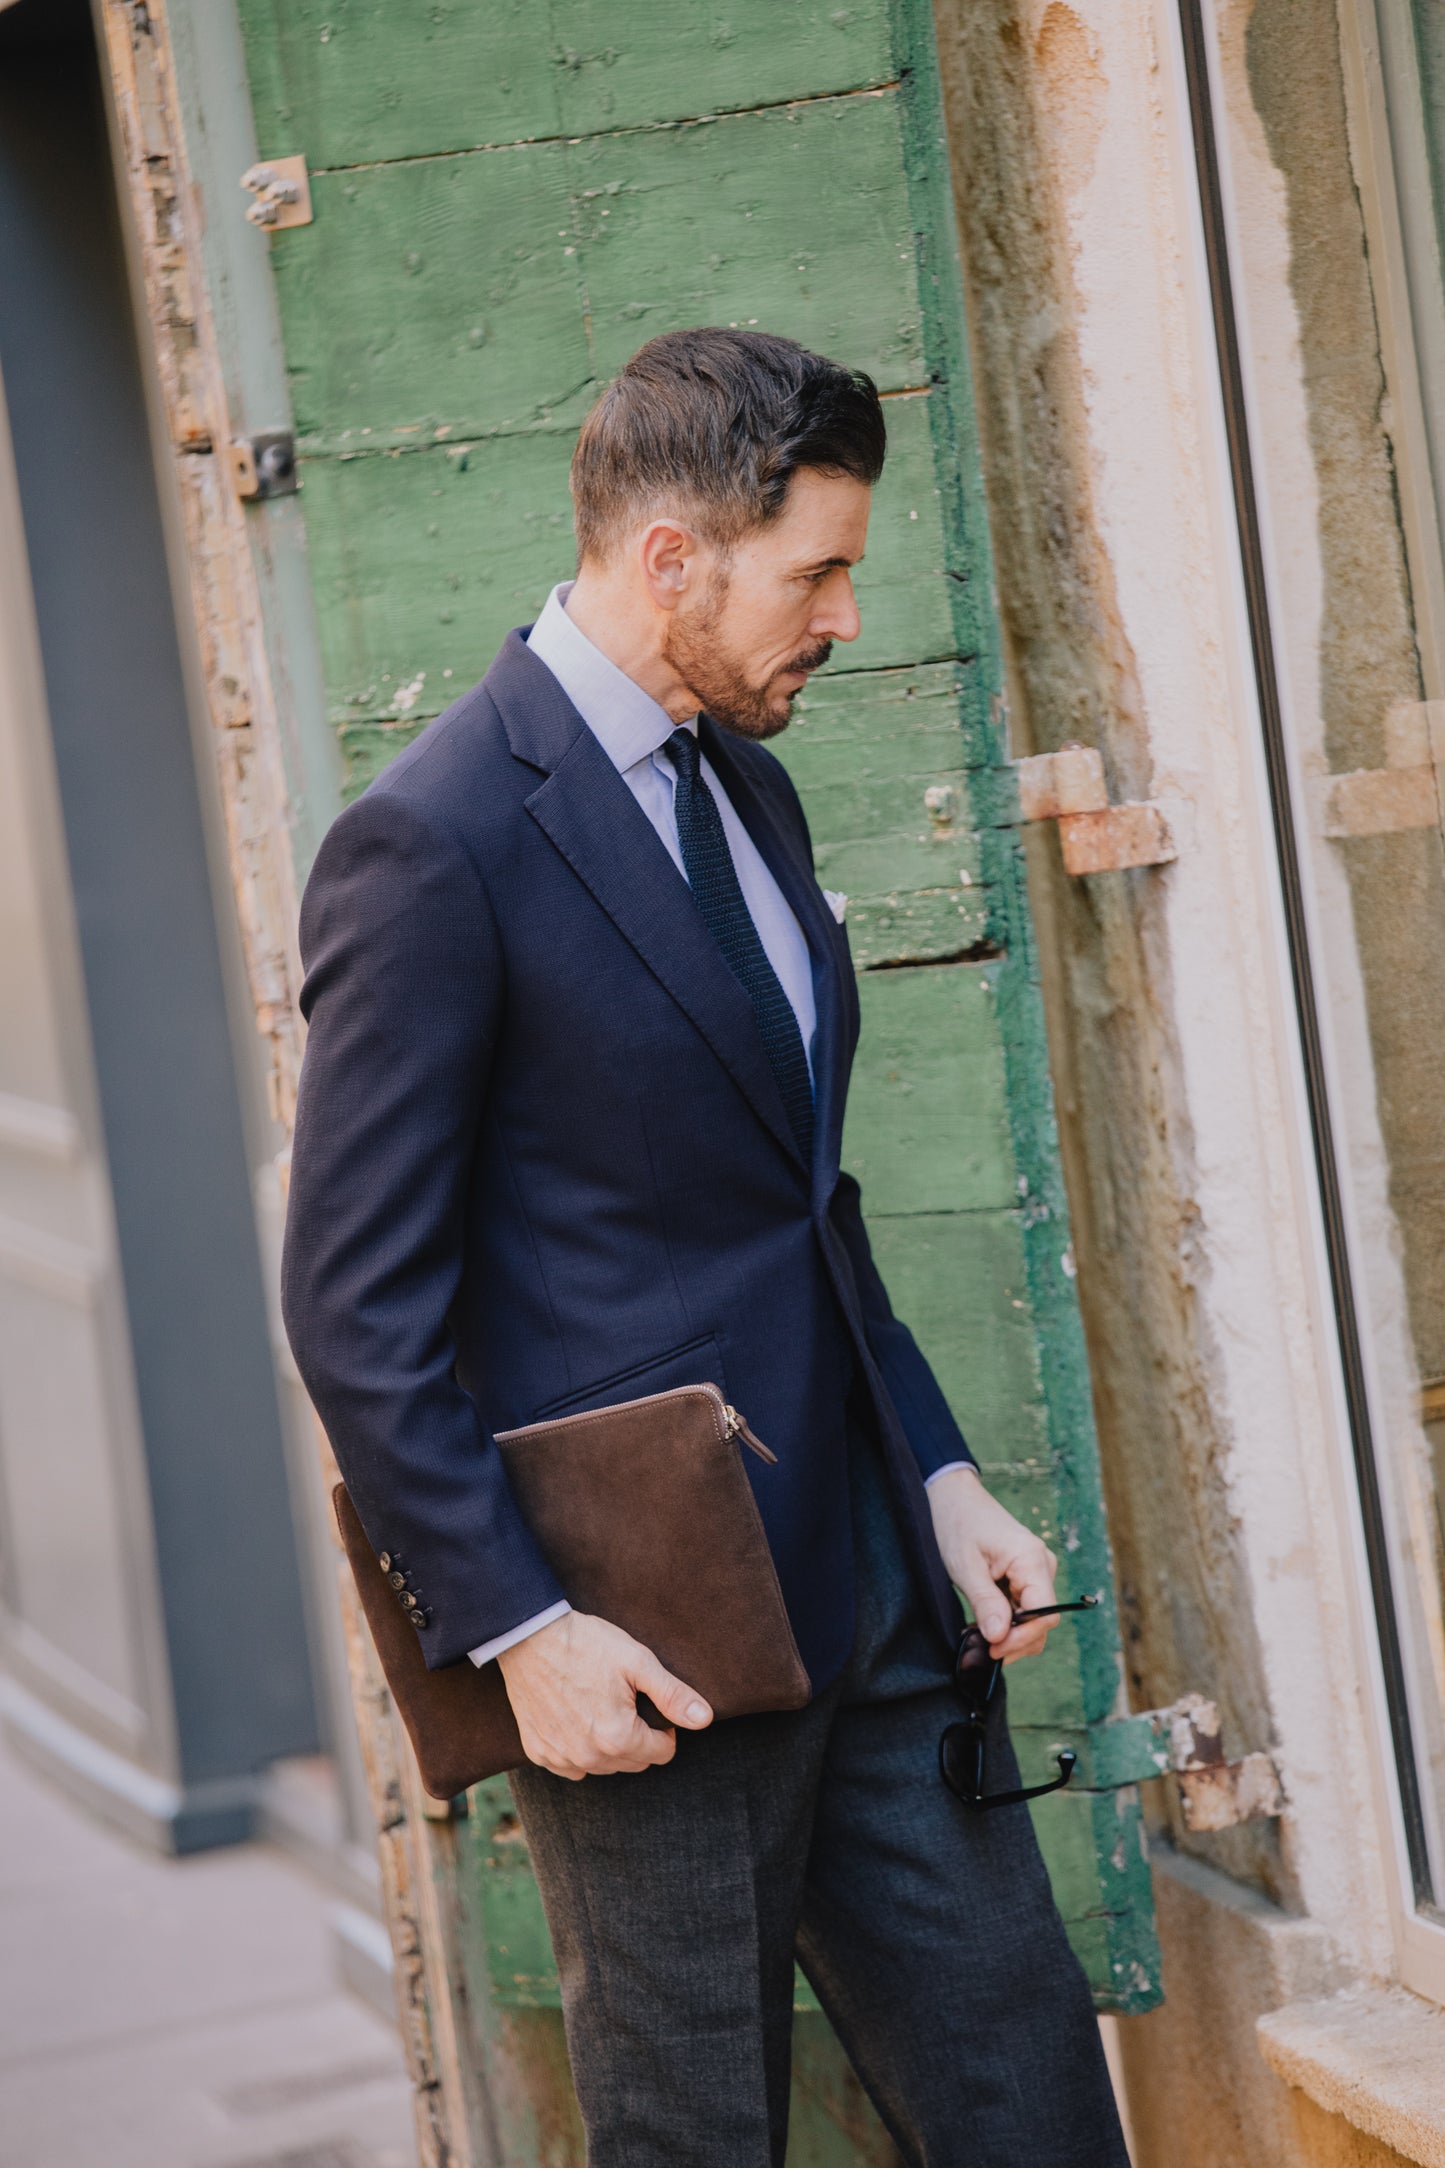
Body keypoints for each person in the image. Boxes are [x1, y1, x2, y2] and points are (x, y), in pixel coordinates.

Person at [282, 326, 1129, 2166]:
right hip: (647, 1642)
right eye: (812, 569)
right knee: (698, 2141)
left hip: (879, 1607)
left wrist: (939, 1471)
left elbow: (795, 1196)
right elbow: (352, 1309)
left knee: (1033, 2104)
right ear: (669, 558)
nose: (838, 616)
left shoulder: (744, 782)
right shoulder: (428, 846)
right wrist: (516, 1629)